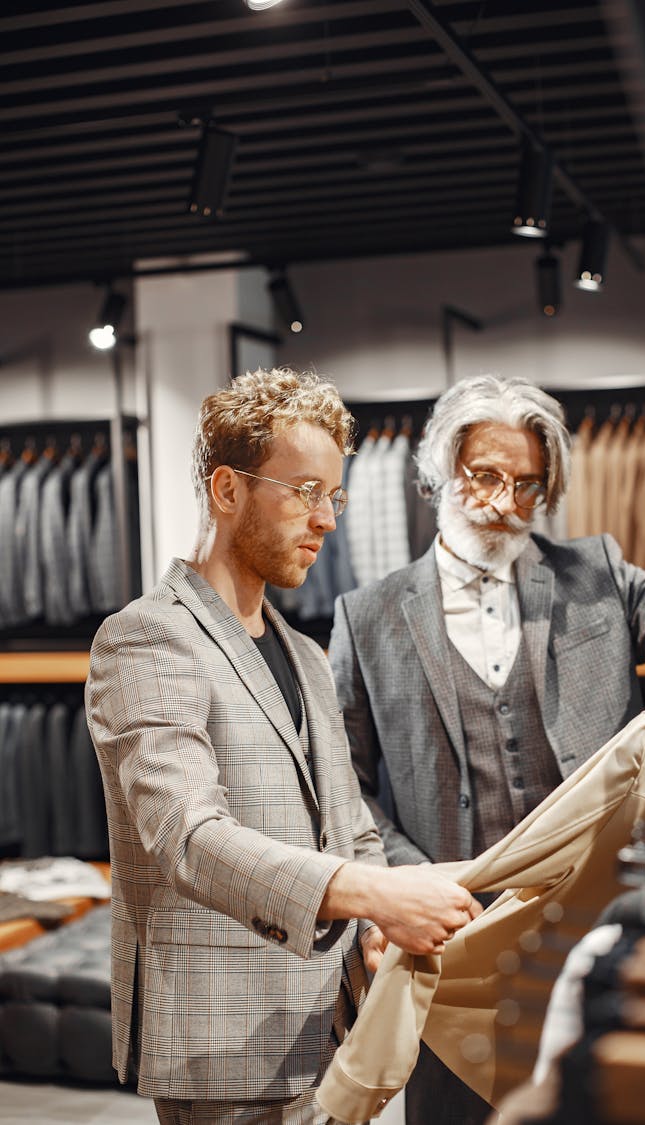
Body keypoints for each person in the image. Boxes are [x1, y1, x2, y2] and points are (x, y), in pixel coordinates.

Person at [327, 372, 645, 1125]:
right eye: (484, 475)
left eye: (527, 483)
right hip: (454, 936)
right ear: (438, 472)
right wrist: (405, 884)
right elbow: (343, 780)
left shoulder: (598, 576)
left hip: (600, 914)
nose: (504, 500)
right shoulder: (368, 616)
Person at [85, 367, 482, 1125]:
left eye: (332, 494)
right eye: (304, 490)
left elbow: (350, 821)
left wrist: (376, 922)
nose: (327, 518)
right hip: (227, 1038)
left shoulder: (302, 650)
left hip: (333, 1032)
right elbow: (188, 837)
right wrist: (377, 894)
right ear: (227, 490)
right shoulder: (146, 637)